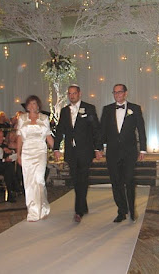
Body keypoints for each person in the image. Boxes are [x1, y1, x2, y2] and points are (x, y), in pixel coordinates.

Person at [54, 85, 102, 223]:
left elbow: (96, 130)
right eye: (70, 94)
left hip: (86, 151)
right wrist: (56, 148)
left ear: (79, 94)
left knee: (83, 178)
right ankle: (83, 205)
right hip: (71, 152)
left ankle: (78, 211)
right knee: (76, 180)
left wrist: (98, 148)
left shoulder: (89, 108)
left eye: (74, 93)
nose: (72, 96)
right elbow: (60, 131)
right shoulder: (64, 111)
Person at [100, 84, 147, 223]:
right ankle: (121, 210)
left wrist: (143, 149)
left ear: (125, 93)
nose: (117, 95)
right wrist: (99, 148)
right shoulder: (107, 109)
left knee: (129, 180)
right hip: (112, 151)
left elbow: (141, 129)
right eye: (114, 92)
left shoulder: (135, 108)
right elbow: (102, 130)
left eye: (119, 92)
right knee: (116, 182)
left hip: (129, 151)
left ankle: (132, 210)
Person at [17, 95, 53, 221]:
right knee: (29, 182)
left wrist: (57, 149)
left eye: (34, 103)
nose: (32, 106)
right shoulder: (21, 118)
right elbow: (20, 138)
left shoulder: (44, 118)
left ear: (38, 105)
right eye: (30, 104)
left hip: (40, 151)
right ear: (27, 106)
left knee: (39, 180)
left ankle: (42, 208)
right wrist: (18, 154)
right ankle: (32, 211)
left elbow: (48, 136)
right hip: (27, 152)